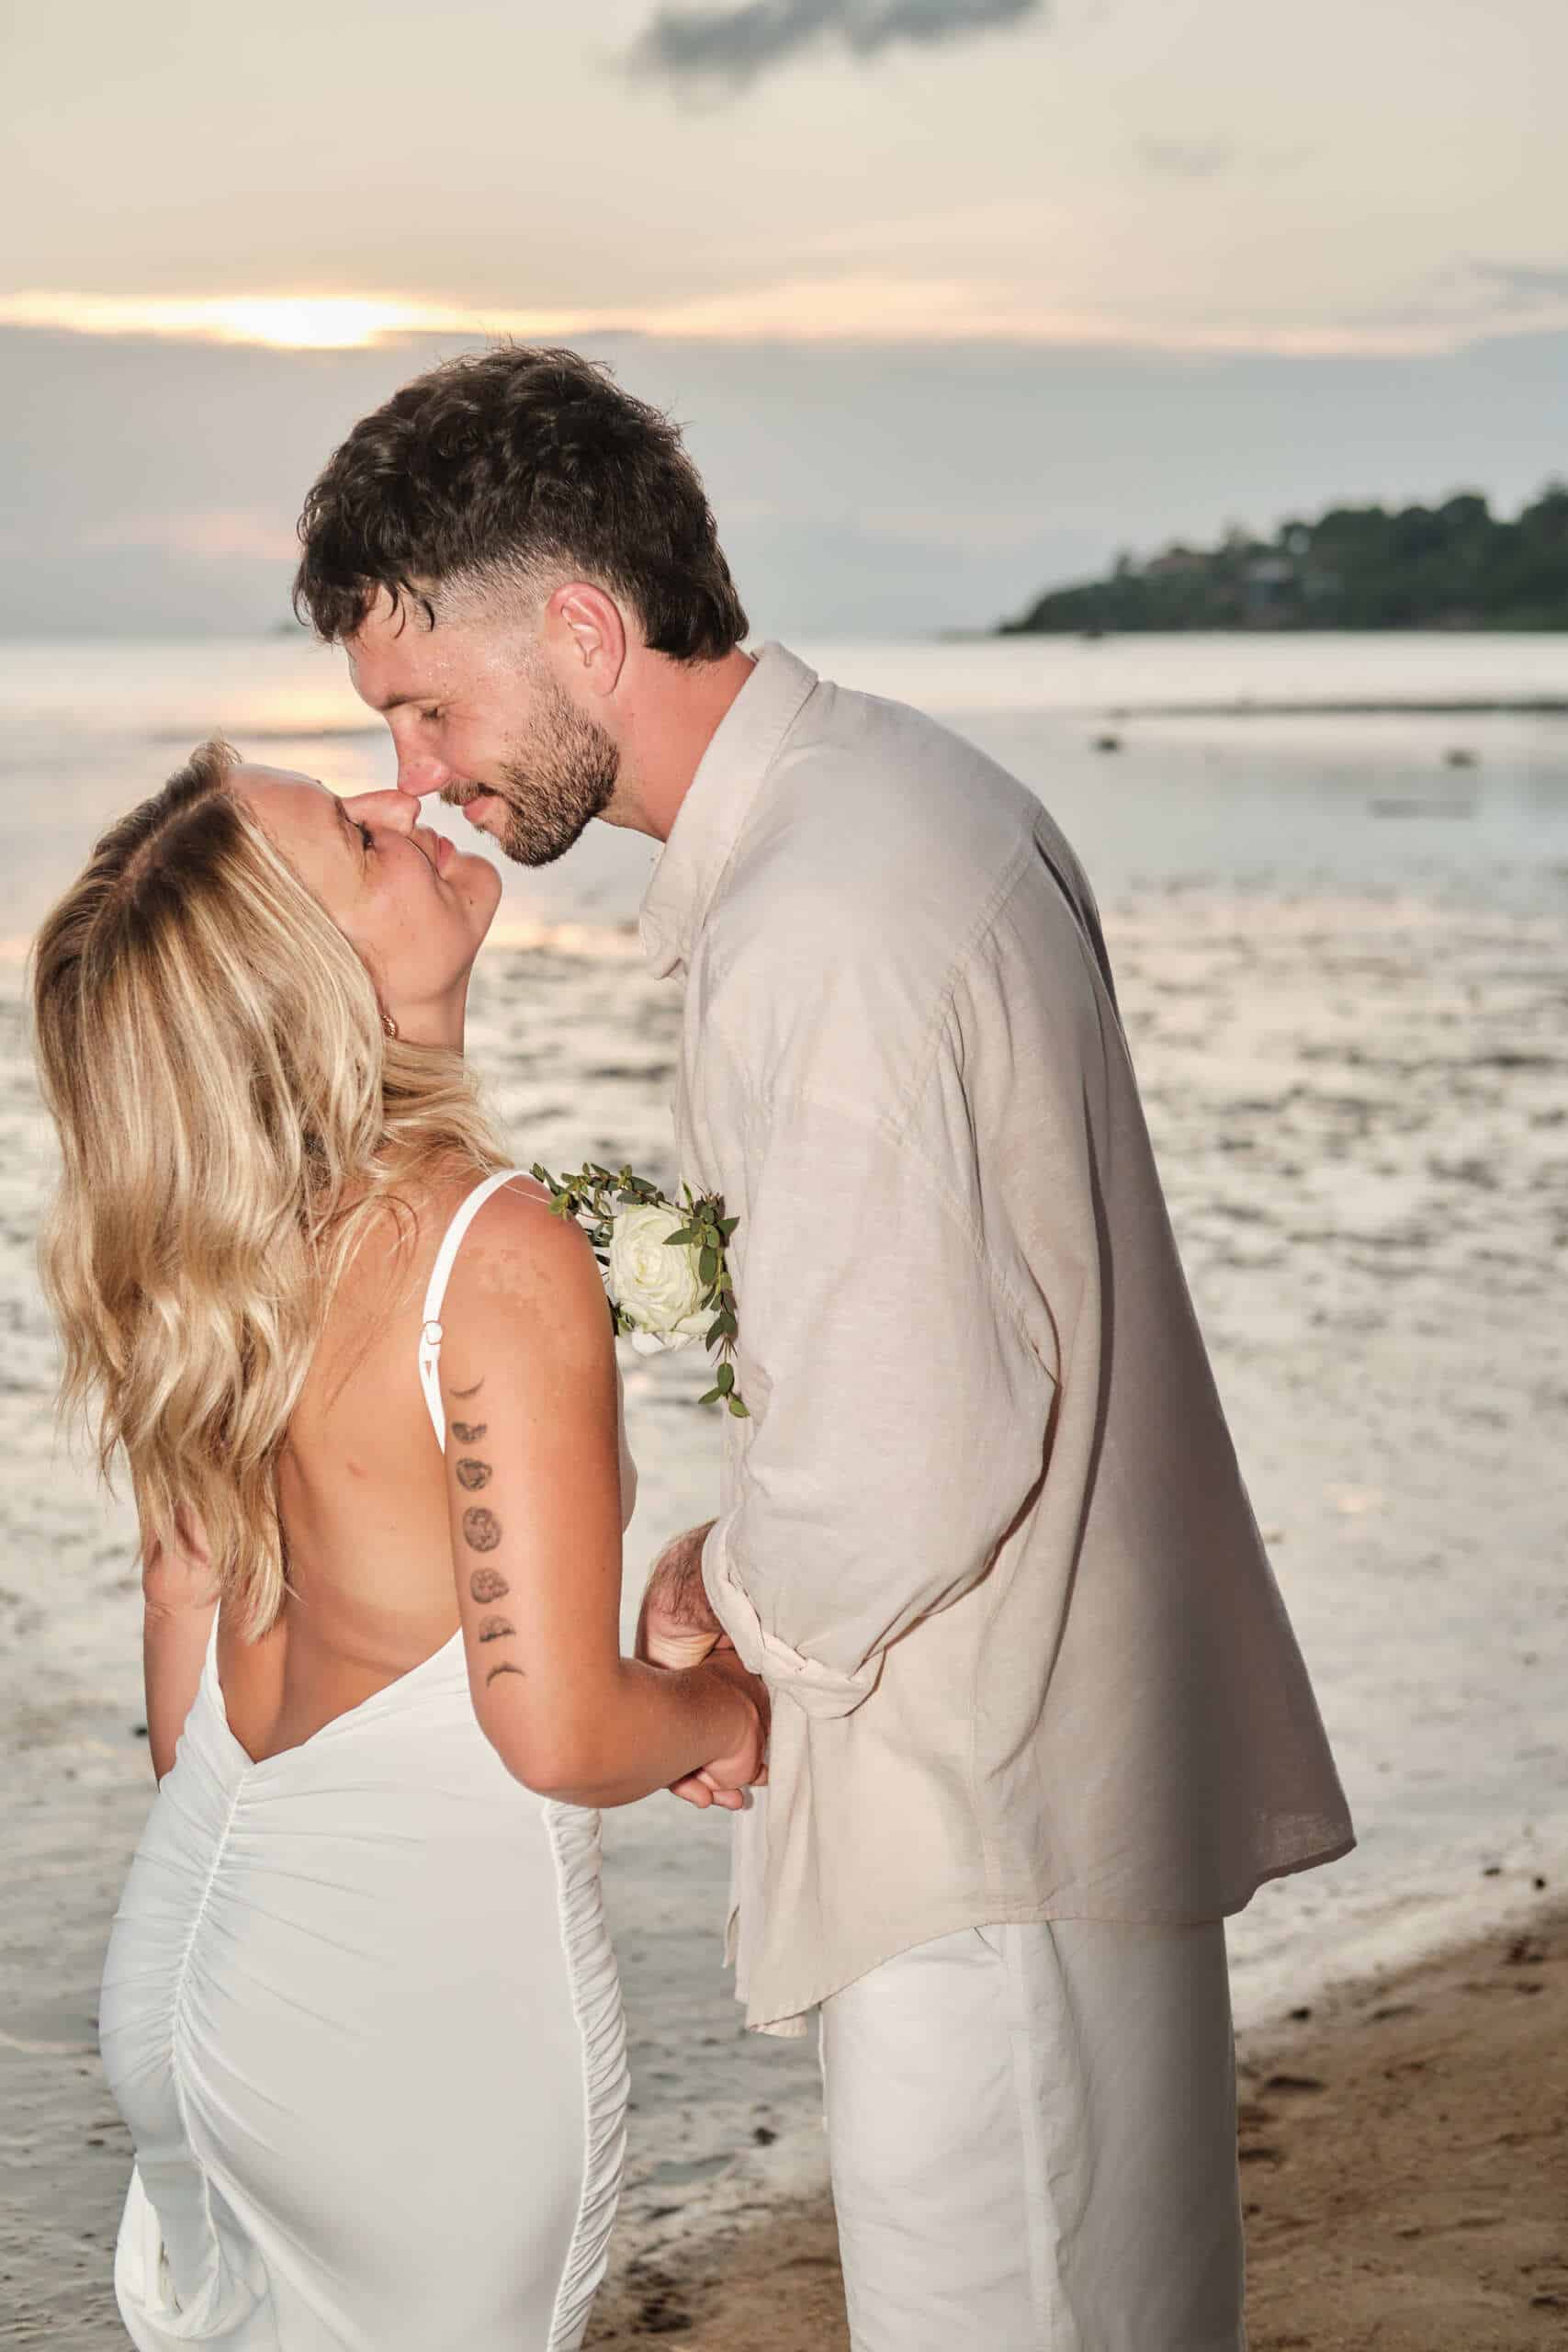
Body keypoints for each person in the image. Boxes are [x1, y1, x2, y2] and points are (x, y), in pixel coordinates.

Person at [294, 344, 1357, 2350]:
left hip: (975, 1809)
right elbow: (932, 1353)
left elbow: (908, 1447)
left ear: (584, 629)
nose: (420, 768)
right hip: (1048, 1756)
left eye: (429, 706)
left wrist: (726, 1636)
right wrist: (737, 1553)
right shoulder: (896, 796)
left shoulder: (823, 915)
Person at [30, 741, 768, 2350]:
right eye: (358, 842)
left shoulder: (218, 1257)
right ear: (315, 989)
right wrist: (733, 1716)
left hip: (192, 1960)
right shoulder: (491, 1251)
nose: (406, 808)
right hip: (400, 2023)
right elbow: (560, 1729)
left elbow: (184, 1646)